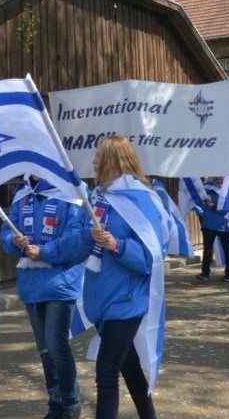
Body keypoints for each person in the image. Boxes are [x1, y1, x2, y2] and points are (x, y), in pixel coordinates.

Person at [30, 135, 164, 419]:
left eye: (99, 155)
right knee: (128, 367)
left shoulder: (142, 199)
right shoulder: (96, 198)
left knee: (106, 372)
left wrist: (116, 245)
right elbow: (74, 244)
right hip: (100, 301)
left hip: (126, 302)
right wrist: (44, 251)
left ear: (114, 160)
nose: (94, 161)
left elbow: (148, 260)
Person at [0, 176, 85, 419]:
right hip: (30, 284)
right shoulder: (22, 194)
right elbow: (7, 229)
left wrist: (45, 251)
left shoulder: (70, 191)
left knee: (57, 345)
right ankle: (55, 403)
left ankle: (71, 402)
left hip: (61, 280)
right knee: (45, 349)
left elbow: (75, 238)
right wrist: (13, 242)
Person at [194, 176, 229, 282]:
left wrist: (214, 205)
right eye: (218, 178)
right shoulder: (206, 187)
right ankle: (205, 273)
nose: (220, 180)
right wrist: (201, 213)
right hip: (209, 223)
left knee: (227, 249)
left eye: (222, 178)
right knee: (207, 249)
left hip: (224, 224)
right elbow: (197, 201)